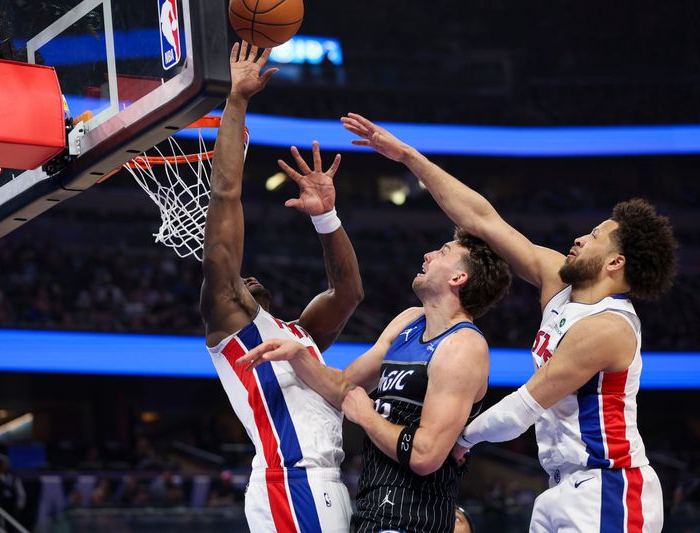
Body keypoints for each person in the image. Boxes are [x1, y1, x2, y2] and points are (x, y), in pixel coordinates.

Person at [339, 112, 678, 532]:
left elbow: (524, 406)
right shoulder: (557, 281)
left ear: (614, 262)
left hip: (610, 487)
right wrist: (409, 157)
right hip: (561, 485)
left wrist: (462, 438)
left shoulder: (608, 328)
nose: (578, 238)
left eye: (593, 237)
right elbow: (481, 220)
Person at [238, 229, 511, 532]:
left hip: (413, 519)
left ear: (458, 278)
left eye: (443, 252)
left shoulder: (463, 346)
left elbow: (426, 454)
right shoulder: (409, 321)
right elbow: (344, 387)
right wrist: (299, 356)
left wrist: (366, 416)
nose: (429, 255)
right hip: (371, 508)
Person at [200, 42, 364, 532]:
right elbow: (225, 195)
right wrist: (236, 101)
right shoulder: (229, 315)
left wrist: (327, 218)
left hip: (322, 483)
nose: (247, 278)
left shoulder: (299, 333)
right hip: (292, 481)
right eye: (239, 276)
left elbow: (348, 293)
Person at [0, 461, 26, 528]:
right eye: (4, 465)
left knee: (10, 527)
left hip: (10, 510)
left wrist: (19, 506)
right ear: (1, 467)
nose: (6, 467)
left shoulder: (15, 480)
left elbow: (22, 494)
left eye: (8, 466)